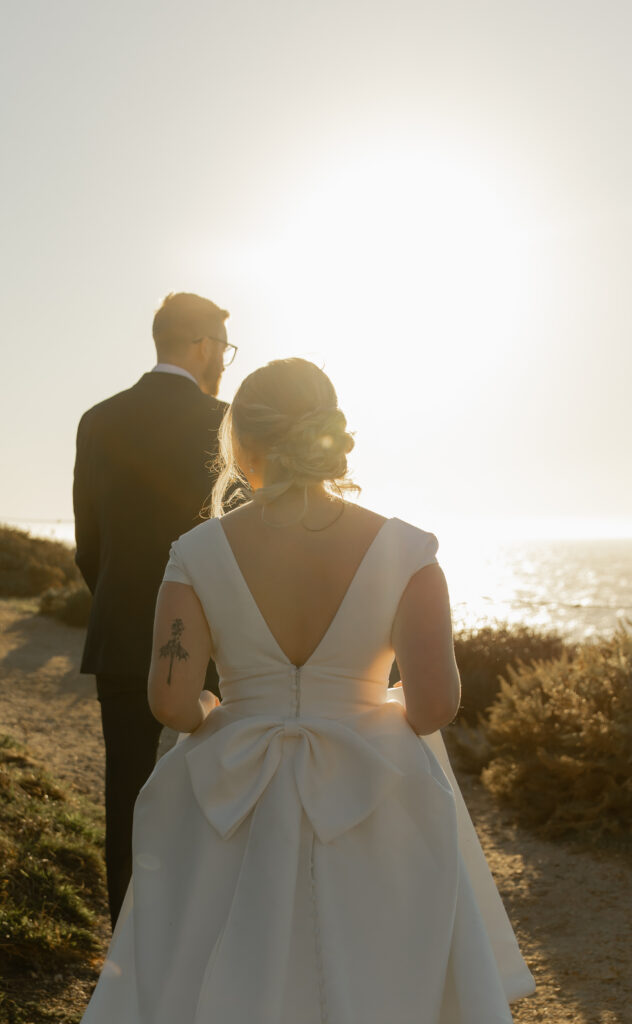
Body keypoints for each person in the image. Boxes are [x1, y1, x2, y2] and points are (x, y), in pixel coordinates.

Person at [80, 358, 535, 1023]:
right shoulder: (406, 550)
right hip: (374, 789)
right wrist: (362, 711)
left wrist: (218, 711)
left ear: (244, 443)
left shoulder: (198, 551)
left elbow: (172, 703)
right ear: (328, 434)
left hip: (235, 788)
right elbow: (434, 705)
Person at [73, 291, 235, 928]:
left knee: (128, 798)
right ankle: (210, 935)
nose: (224, 358)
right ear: (201, 344)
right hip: (218, 639)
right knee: (221, 789)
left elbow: (91, 547)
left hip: (121, 638)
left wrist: (125, 609)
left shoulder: (99, 419)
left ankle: (127, 951)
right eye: (223, 345)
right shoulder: (225, 421)